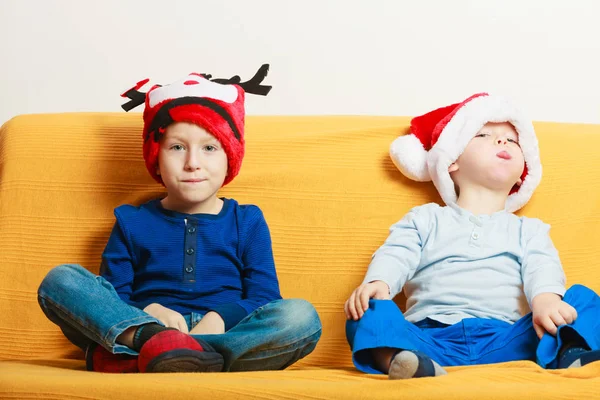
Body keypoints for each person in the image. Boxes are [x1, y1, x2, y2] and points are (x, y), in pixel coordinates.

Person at [38, 64, 321, 373]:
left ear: (230, 161)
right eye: (177, 148)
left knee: (301, 317)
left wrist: (220, 318)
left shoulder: (247, 220)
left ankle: (171, 356)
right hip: (145, 324)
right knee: (60, 280)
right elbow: (115, 296)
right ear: (156, 160)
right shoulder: (132, 221)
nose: (192, 163)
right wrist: (149, 312)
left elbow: (265, 298)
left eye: (209, 148)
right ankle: (154, 343)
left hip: (225, 331)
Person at [344, 93, 600, 379]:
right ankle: (402, 361)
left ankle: (569, 352)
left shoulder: (529, 229)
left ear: (520, 176)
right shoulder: (425, 218)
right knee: (366, 310)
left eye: (512, 140)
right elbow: (397, 253)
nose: (502, 141)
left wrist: (546, 300)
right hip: (430, 340)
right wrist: (379, 282)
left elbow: (543, 266)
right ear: (451, 161)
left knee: (583, 299)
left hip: (508, 340)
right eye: (483, 135)